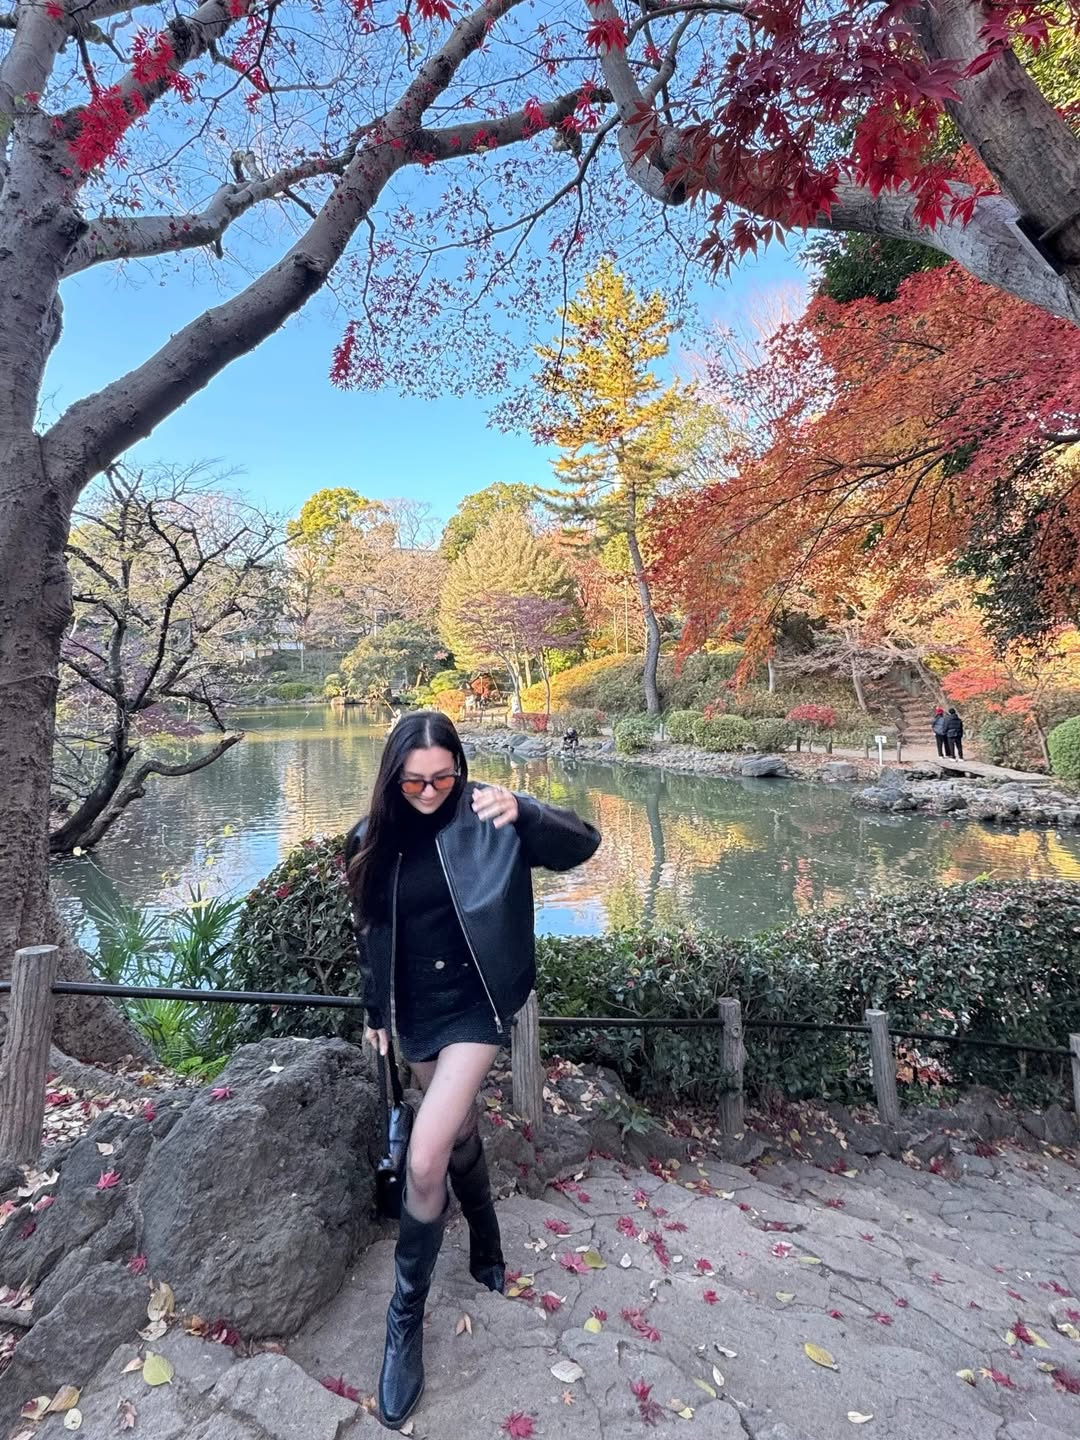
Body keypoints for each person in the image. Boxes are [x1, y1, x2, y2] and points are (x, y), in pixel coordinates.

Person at [345, 711, 601, 1431]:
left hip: (476, 1007)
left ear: (459, 768)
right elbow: (371, 932)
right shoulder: (369, 838)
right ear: (392, 778)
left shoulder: (491, 813)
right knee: (453, 1129)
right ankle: (485, 1233)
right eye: (415, 781)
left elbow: (584, 843)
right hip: (416, 1013)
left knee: (425, 1156)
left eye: (443, 778)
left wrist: (529, 811)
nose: (430, 792)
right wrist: (375, 1011)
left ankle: (403, 1320)